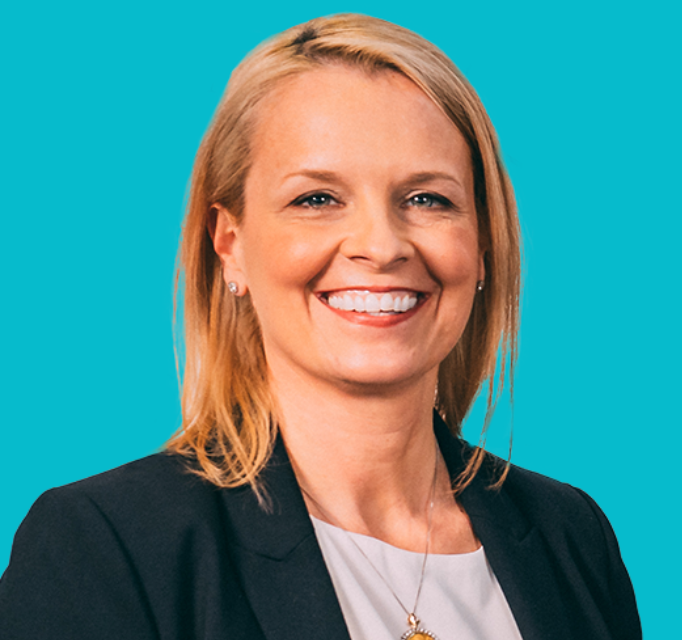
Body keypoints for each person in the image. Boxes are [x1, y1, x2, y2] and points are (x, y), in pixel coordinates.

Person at [0, 14, 641, 640]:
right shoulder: (107, 545)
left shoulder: (571, 535)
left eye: (428, 199)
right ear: (231, 244)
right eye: (317, 199)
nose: (382, 245)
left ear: (482, 247)